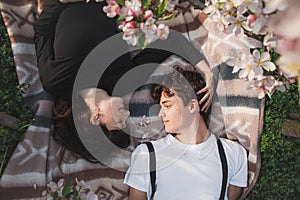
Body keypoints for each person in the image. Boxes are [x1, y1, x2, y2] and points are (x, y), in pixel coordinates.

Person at [34, 0, 214, 163]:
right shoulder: (125, 82)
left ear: (96, 118)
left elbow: (42, 31)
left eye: (119, 124)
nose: (126, 117)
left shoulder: (56, 82)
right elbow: (169, 40)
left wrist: (59, 2)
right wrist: (205, 69)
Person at [124, 65, 248, 200]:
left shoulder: (233, 154)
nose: (160, 114)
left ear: (192, 106)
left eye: (167, 105)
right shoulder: (147, 155)